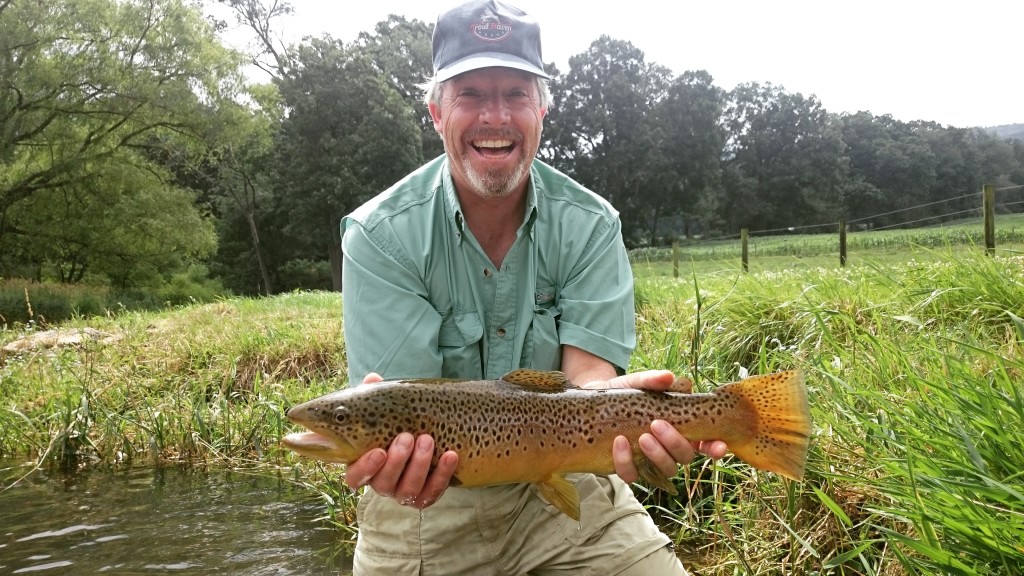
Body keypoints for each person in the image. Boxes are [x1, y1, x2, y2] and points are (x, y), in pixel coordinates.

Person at [338, 1, 727, 573]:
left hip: (568, 479)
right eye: (470, 93)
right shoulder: (380, 235)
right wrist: (395, 465)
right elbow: (404, 408)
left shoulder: (592, 224)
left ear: (542, 108)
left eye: (516, 94)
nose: (495, 116)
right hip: (425, 506)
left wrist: (625, 411)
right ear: (436, 112)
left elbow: (586, 384)